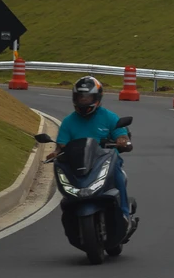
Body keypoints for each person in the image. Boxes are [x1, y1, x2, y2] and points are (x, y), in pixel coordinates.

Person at [53, 76, 135, 220]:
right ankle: (70, 215)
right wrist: (56, 153)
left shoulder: (109, 117)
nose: (83, 101)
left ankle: (124, 214)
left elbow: (121, 134)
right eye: (80, 97)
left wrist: (122, 141)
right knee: (66, 182)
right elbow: (61, 145)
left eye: (88, 97)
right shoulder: (68, 122)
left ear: (97, 98)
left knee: (118, 176)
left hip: (105, 160)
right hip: (79, 164)